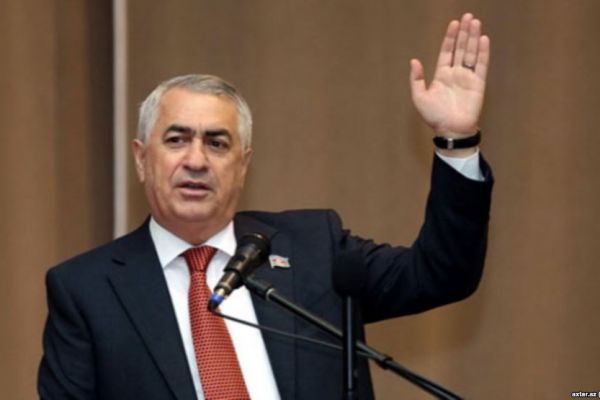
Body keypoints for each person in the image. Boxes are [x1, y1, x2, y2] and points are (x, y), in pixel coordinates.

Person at [38, 13, 493, 400]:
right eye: (177, 140)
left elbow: (441, 274)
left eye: (217, 143)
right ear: (141, 159)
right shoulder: (86, 291)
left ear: (243, 165)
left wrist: (456, 141)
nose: (196, 160)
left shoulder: (314, 249)